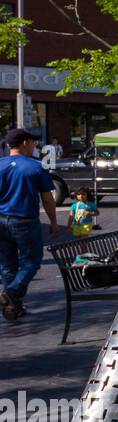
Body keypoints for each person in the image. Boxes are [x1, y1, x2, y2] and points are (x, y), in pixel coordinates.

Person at [0, 128, 60, 322]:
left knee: (8, 265)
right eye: (33, 142)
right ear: (24, 143)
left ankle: (13, 308)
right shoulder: (35, 167)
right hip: (25, 221)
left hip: (1, 220)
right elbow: (47, 199)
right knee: (32, 261)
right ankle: (12, 292)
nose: (35, 145)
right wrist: (53, 222)